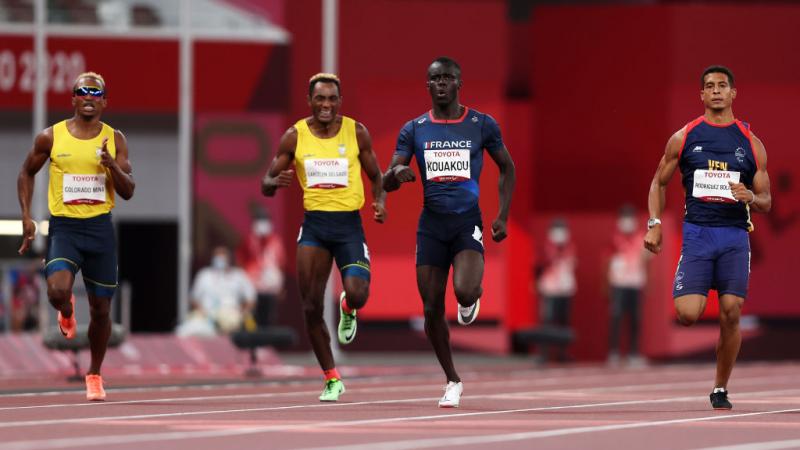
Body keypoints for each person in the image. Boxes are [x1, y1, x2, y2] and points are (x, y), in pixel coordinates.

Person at [383, 57, 515, 408]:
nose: (441, 83)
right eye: (434, 78)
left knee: (465, 290)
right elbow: (387, 178)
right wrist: (395, 177)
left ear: (459, 83)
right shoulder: (414, 129)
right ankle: (452, 379)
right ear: (427, 85)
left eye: (447, 78)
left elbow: (507, 167)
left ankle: (471, 298)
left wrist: (502, 215)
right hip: (431, 225)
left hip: (466, 221)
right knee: (430, 309)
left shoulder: (481, 124)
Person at [644, 65, 771, 410]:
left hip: (733, 236)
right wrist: (654, 222)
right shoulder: (684, 137)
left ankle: (719, 387)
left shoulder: (750, 143)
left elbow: (766, 201)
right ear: (701, 95)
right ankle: (693, 282)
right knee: (688, 314)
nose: (716, 91)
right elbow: (659, 181)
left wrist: (751, 198)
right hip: (698, 234)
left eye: (722, 86)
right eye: (709, 86)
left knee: (731, 312)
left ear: (733, 93)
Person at [261, 73, 386, 402]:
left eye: (332, 99)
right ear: (310, 101)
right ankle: (331, 378)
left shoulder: (356, 132)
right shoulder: (294, 136)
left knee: (358, 293)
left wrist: (380, 201)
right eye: (320, 99)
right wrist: (275, 183)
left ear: (339, 101)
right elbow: (267, 181)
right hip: (315, 227)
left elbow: (376, 175)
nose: (326, 105)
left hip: (348, 226)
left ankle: (348, 306)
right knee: (310, 306)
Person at [17, 72, 135, 401]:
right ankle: (65, 310)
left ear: (104, 101)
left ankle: (94, 373)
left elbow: (128, 191)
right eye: (81, 91)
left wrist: (112, 165)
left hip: (99, 228)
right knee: (57, 290)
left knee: (100, 311)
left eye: (94, 92)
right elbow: (26, 172)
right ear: (72, 99)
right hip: (65, 227)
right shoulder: (50, 137)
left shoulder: (116, 139)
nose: (88, 96)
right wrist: (26, 215)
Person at [178, 246, 257, 336]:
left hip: (232, 319)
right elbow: (194, 298)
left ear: (229, 259)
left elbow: (251, 299)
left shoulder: (239, 276)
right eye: (217, 258)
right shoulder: (204, 275)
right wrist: (203, 312)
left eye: (222, 258)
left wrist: (241, 314)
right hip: (206, 319)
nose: (219, 261)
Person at [606, 205, 650, 367]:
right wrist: (606, 284)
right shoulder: (614, 238)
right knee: (616, 318)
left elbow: (646, 260)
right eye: (624, 217)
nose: (627, 221)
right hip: (618, 283)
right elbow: (606, 261)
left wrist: (648, 282)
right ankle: (614, 352)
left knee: (635, 320)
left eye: (629, 217)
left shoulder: (641, 237)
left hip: (635, 283)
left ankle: (633, 353)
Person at [534, 218, 576, 363]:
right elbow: (538, 266)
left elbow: (572, 265)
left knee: (563, 322)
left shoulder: (570, 247)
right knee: (547, 321)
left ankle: (562, 353)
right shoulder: (546, 247)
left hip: (565, 290)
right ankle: (544, 353)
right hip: (550, 290)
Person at [237, 206, 286, 327]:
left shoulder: (276, 241)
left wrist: (280, 286)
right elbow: (240, 260)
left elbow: (281, 264)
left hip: (270, 287)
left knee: (268, 316)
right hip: (252, 286)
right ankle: (253, 340)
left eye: (264, 220)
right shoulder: (249, 240)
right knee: (252, 316)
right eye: (259, 220)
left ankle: (266, 342)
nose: (262, 224)